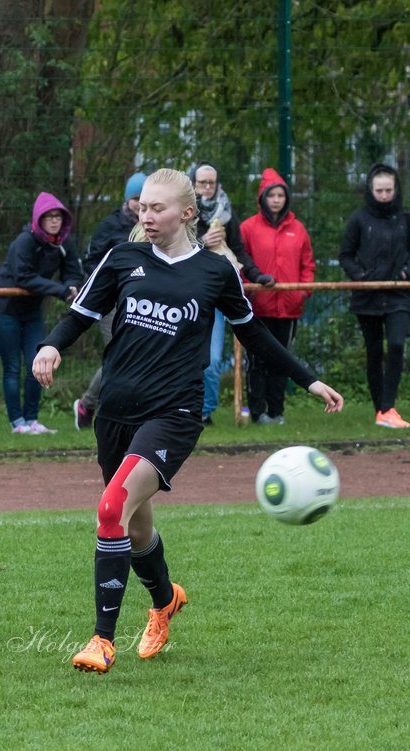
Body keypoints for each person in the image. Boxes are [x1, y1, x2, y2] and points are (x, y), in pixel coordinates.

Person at [31, 168, 343, 675]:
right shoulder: (123, 258)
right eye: (142, 207)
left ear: (187, 213)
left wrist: (307, 380)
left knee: (111, 507)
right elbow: (81, 314)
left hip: (173, 413)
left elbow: (256, 336)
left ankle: (101, 641)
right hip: (115, 413)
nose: (145, 215)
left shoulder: (216, 272)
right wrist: (50, 345)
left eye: (157, 208)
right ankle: (164, 600)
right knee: (132, 527)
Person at [0, 192, 83, 434]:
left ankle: (32, 420)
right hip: (4, 311)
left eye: (58, 217)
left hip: (32, 313)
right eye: (49, 217)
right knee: (12, 367)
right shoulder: (24, 242)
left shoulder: (63, 243)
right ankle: (17, 423)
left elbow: (73, 271)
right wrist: (62, 291)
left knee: (37, 363)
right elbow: (24, 277)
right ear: (38, 219)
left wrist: (71, 286)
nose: (54, 221)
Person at [190, 162, 273, 424]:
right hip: (187, 294)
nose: (206, 187)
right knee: (185, 357)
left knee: (213, 360)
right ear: (193, 184)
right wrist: (202, 244)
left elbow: (238, 251)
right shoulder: (183, 212)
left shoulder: (225, 212)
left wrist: (257, 275)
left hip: (217, 296)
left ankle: (205, 412)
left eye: (210, 183)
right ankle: (183, 409)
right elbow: (173, 250)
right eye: (201, 182)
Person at [240, 167, 316, 425]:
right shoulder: (248, 228)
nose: (276, 200)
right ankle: (257, 413)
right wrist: (246, 292)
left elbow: (308, 264)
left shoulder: (299, 228)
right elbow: (241, 262)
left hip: (288, 308)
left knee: (282, 361)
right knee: (257, 361)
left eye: (280, 196)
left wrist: (303, 291)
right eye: (271, 195)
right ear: (262, 197)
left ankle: (277, 412)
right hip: (258, 307)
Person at [74, 171, 147, 431]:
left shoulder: (156, 226)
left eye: (145, 198)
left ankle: (108, 406)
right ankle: (90, 404)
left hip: (143, 303)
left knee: (140, 355)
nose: (141, 204)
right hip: (113, 302)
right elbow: (92, 262)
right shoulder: (110, 225)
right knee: (120, 354)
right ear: (128, 200)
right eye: (136, 198)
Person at [339, 163, 410, 429]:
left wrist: (406, 272)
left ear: (396, 189)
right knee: (373, 353)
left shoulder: (405, 219)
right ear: (371, 189)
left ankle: (388, 407)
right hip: (366, 297)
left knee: (395, 345)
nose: (383, 195)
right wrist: (361, 276)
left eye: (388, 190)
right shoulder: (359, 219)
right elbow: (345, 255)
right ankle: (381, 411)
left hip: (398, 295)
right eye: (379, 190)